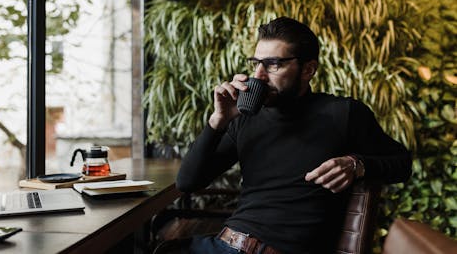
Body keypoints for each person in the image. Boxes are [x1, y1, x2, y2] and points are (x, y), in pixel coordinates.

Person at [176, 17, 412, 254]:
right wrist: (218, 121)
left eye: (273, 64)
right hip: (224, 244)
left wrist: (356, 165)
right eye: (256, 63)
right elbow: (187, 182)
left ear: (308, 69)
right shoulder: (246, 118)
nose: (259, 75)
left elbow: (402, 163)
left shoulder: (343, 113)